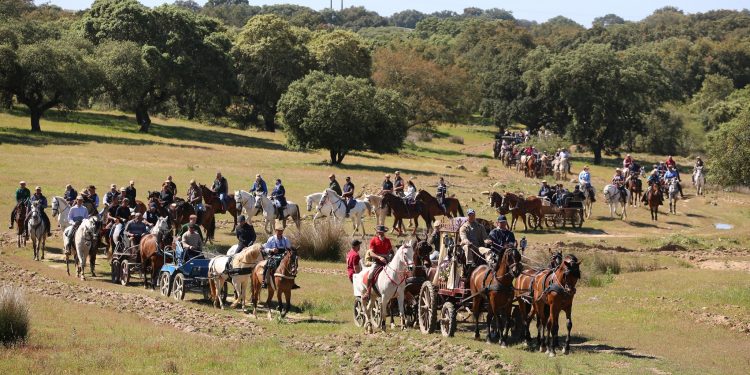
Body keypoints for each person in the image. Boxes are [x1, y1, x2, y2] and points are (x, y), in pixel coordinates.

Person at [363, 225, 393, 300]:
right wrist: (379, 257)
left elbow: (390, 251)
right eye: (378, 232)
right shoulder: (373, 240)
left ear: (384, 232)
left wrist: (390, 256)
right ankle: (368, 292)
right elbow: (371, 253)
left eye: (381, 232)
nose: (379, 233)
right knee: (370, 274)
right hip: (377, 262)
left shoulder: (387, 240)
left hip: (386, 261)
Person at [261, 221, 292, 289]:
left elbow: (289, 248)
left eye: (281, 231)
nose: (280, 233)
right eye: (279, 231)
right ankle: (264, 281)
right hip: (273, 256)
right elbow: (265, 249)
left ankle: (291, 281)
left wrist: (288, 251)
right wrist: (272, 250)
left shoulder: (285, 239)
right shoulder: (271, 239)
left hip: (283, 256)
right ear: (275, 231)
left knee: (291, 265)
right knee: (267, 265)